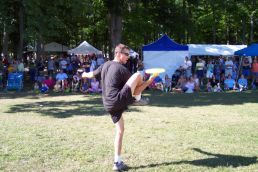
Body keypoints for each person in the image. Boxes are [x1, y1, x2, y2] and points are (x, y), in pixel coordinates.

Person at [81, 43, 157, 171]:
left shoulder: (104, 65)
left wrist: (83, 74)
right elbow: (138, 87)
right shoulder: (122, 70)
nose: (128, 57)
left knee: (120, 130)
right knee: (138, 75)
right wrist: (150, 80)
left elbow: (90, 74)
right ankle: (136, 100)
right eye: (127, 54)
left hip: (108, 104)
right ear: (118, 54)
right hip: (117, 100)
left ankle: (117, 162)